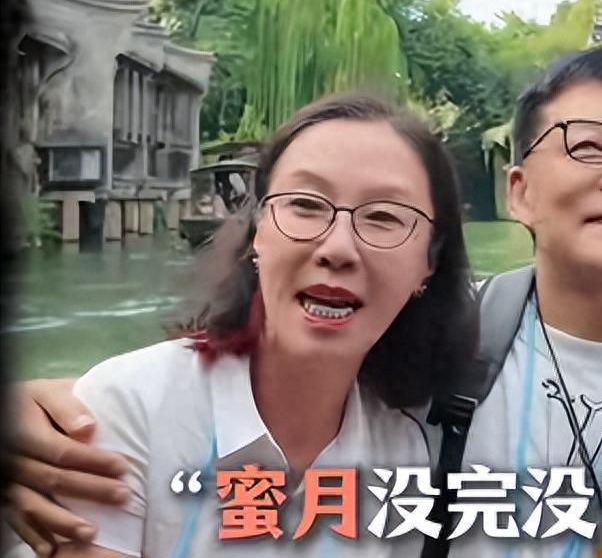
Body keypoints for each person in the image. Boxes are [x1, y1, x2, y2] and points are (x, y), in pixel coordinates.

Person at [6, 49, 602, 557]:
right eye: (589, 146)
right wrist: (39, 412)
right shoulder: (429, 357)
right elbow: (254, 373)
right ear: (518, 192)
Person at [3, 93, 476, 557]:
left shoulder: (406, 452)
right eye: (305, 205)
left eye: (384, 217)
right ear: (258, 232)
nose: (337, 248)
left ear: (430, 263)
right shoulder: (130, 410)